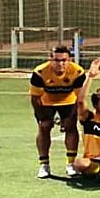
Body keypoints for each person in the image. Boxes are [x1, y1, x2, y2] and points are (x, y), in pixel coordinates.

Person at [30, 43, 88, 178]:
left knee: (70, 126)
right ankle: (44, 164)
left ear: (70, 60)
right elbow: (35, 98)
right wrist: (42, 118)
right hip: (46, 101)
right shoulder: (39, 72)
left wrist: (80, 115)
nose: (60, 64)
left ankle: (71, 164)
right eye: (56, 60)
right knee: (44, 127)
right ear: (50, 59)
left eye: (64, 60)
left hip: (68, 100)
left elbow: (80, 97)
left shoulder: (78, 72)